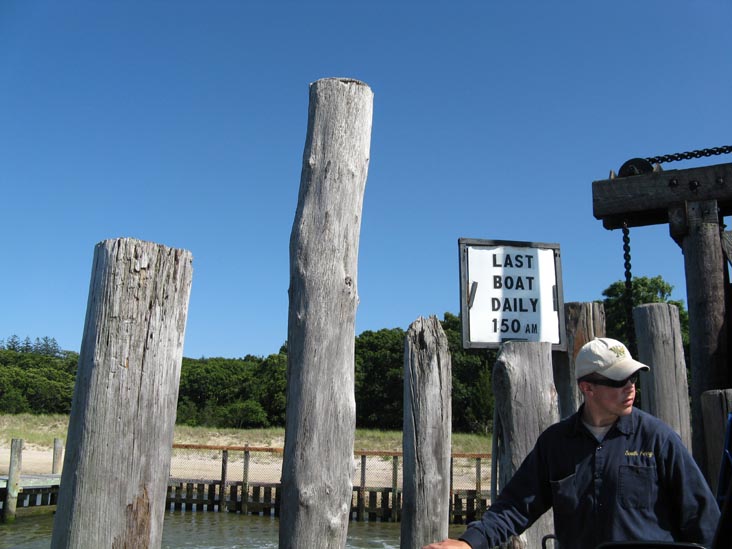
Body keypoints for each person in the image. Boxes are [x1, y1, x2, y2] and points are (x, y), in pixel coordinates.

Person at [424, 337, 720, 549]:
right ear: (587, 387)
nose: (630, 387)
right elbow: (515, 507)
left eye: (633, 377)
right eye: (619, 380)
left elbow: (703, 519)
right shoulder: (556, 443)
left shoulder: (659, 439)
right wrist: (467, 543)